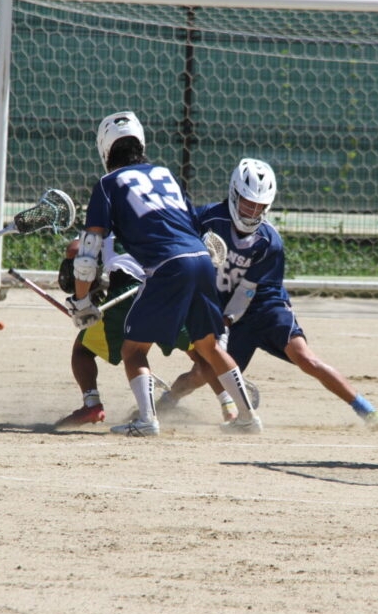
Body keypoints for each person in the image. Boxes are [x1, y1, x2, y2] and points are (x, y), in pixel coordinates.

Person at [68, 111, 261, 436]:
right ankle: (247, 417)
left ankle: (147, 421)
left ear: (105, 149)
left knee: (133, 350)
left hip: (165, 266)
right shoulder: (165, 174)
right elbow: (193, 226)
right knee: (210, 347)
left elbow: (88, 254)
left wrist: (81, 300)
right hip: (200, 259)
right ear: (141, 143)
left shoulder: (107, 184)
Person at [186, 157, 378, 428]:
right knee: (201, 372)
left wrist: (224, 323)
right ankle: (165, 404)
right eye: (247, 202)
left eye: (260, 205)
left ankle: (369, 412)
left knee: (305, 357)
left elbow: (246, 292)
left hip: (265, 309)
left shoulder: (270, 241)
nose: (253, 211)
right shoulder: (206, 219)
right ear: (234, 194)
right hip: (225, 310)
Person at [56, 236, 239, 426]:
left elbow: (75, 250)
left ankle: (93, 404)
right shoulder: (169, 221)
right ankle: (229, 408)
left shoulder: (106, 223)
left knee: (84, 351)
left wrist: (86, 292)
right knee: (203, 355)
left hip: (128, 291)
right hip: (169, 292)